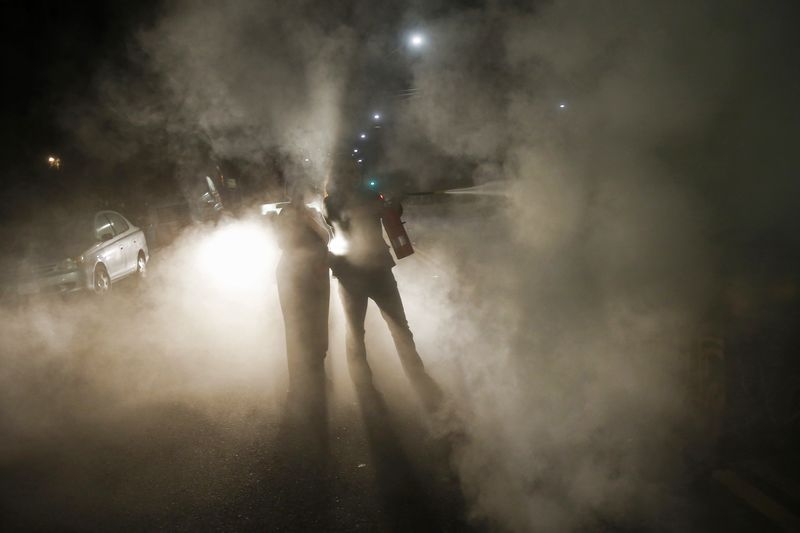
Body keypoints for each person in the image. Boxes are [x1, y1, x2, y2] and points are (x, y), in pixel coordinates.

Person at [324, 159, 443, 412]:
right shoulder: (334, 200)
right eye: (350, 171)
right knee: (369, 330)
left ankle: (395, 379)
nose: (354, 174)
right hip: (360, 272)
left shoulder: (347, 197)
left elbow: (393, 213)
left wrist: (391, 202)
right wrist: (380, 203)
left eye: (354, 170)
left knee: (382, 329)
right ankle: (371, 384)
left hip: (365, 271)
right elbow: (339, 219)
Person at [274, 180, 332, 425]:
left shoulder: (314, 213)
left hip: (315, 273)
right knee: (297, 328)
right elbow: (281, 242)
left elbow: (328, 237)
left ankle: (315, 377)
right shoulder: (283, 215)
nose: (298, 197)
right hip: (295, 275)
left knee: (317, 325)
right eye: (294, 194)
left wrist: (310, 219)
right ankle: (299, 384)